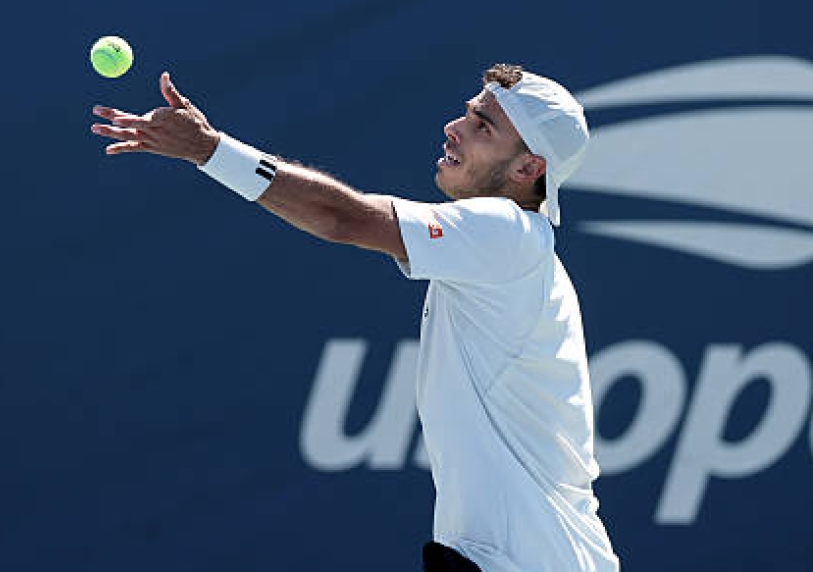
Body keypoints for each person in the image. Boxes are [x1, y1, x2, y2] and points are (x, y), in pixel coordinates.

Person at [89, 64, 620, 572]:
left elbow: (341, 217)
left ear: (528, 169)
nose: (454, 128)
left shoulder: (506, 233)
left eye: (483, 127)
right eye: (467, 113)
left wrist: (209, 149)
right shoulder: (511, 250)